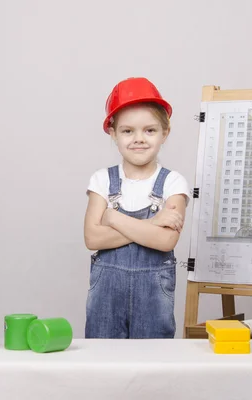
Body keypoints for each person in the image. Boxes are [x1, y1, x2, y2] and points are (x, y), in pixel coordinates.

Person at [83, 77, 191, 339]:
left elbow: (165, 240)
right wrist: (153, 223)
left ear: (165, 132)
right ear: (113, 133)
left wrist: (111, 217)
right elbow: (92, 238)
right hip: (106, 302)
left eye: (150, 130)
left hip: (153, 303)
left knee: (153, 367)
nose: (139, 139)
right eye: (128, 131)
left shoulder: (173, 182)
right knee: (103, 364)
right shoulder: (102, 180)